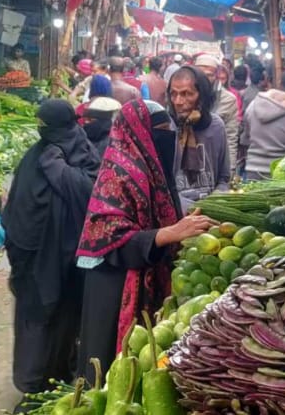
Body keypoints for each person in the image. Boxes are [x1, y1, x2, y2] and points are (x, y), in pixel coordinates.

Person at [75, 100, 215, 381]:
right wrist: (169, 234)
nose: (167, 137)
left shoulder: (151, 168)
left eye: (168, 130)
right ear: (139, 132)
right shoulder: (119, 172)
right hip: (115, 285)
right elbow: (108, 236)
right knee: (108, 365)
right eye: (160, 131)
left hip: (146, 272)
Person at [3, 100, 101, 404]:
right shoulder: (37, 154)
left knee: (63, 318)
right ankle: (32, 382)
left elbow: (92, 192)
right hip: (33, 258)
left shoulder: (82, 153)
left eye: (46, 124)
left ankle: (57, 375)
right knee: (35, 317)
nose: (41, 130)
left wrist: (58, 170)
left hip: (67, 259)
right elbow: (17, 205)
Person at [167, 66, 231, 210]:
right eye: (173, 94)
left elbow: (224, 177)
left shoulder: (216, 126)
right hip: (175, 218)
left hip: (210, 216)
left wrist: (212, 204)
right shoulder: (165, 128)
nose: (178, 101)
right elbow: (160, 186)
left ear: (202, 96)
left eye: (186, 94)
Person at [193, 54, 240, 174]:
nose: (204, 79)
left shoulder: (228, 99)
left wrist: (231, 169)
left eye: (209, 75)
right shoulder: (185, 95)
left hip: (215, 159)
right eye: (200, 74)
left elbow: (230, 136)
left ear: (216, 76)